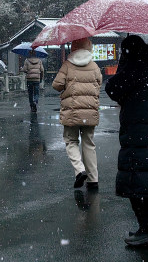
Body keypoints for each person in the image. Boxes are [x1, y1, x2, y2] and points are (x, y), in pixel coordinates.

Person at [105, 35, 148, 247]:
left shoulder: (135, 69)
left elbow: (112, 89)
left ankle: (147, 228)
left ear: (128, 52)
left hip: (137, 132)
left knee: (136, 181)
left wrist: (123, 66)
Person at [52, 37, 102, 190]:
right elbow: (99, 83)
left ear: (73, 48)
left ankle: (80, 170)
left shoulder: (67, 65)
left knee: (71, 141)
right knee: (89, 144)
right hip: (89, 111)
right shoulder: (94, 66)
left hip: (72, 111)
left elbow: (57, 85)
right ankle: (93, 180)